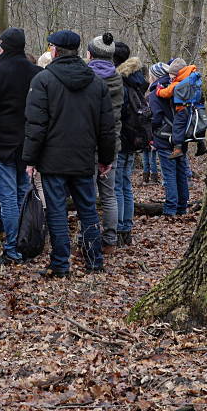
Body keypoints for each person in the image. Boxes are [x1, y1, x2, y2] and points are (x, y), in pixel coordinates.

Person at [23, 30, 115, 277]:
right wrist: (106, 158)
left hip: (53, 161)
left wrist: (30, 159)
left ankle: (61, 264)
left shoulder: (43, 81)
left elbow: (36, 125)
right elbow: (107, 126)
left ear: (54, 50)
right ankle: (94, 262)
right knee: (88, 211)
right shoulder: (96, 83)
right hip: (84, 159)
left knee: (57, 212)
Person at [0, 27, 42, 265]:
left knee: (9, 199)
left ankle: (13, 248)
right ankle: (23, 244)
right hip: (27, 145)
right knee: (23, 196)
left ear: (3, 46)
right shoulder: (36, 72)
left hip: (2, 145)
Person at [86, 33, 123, 252]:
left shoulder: (86, 78)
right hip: (113, 142)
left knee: (88, 193)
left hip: (89, 144)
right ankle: (110, 239)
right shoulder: (118, 78)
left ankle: (88, 235)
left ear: (90, 54)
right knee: (109, 194)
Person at [115, 51, 148, 246]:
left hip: (122, 139)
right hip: (133, 139)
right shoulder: (136, 80)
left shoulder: (121, 82)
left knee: (118, 185)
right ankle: (126, 227)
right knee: (126, 185)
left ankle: (120, 228)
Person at [147, 62, 190, 216]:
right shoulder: (178, 88)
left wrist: (150, 130)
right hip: (181, 139)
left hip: (165, 140)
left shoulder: (155, 94)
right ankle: (182, 207)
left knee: (170, 175)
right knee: (181, 173)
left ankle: (170, 209)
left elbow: (156, 118)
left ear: (155, 76)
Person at [154, 58, 198, 159]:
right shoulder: (192, 78)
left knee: (177, 128)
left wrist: (158, 91)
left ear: (176, 73)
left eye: (171, 76)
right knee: (193, 126)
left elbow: (166, 93)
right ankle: (201, 144)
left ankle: (177, 148)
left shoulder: (177, 83)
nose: (170, 78)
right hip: (194, 108)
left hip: (182, 109)